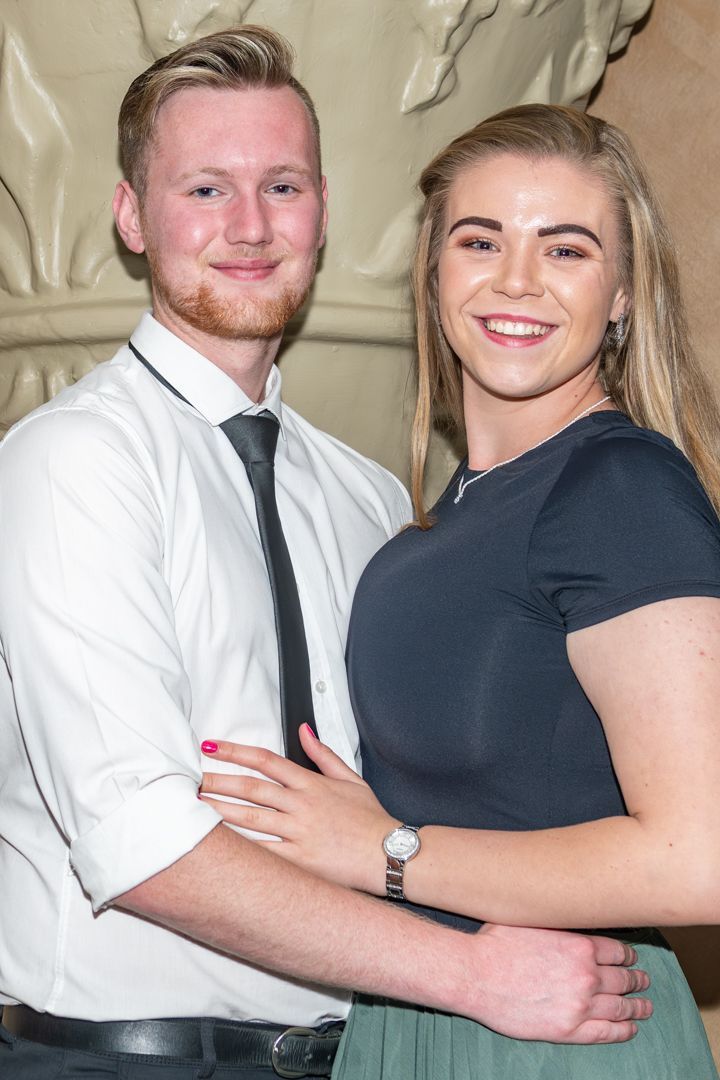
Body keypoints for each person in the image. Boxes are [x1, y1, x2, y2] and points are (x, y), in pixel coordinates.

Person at [0, 31, 651, 1080]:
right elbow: (136, 841)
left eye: (282, 186)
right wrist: (472, 975)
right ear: (131, 216)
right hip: (129, 1060)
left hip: (366, 1053)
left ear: (322, 211)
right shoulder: (73, 459)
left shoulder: (371, 496)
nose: (250, 226)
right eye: (205, 188)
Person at [199, 104, 720, 1079]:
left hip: (562, 1034)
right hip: (423, 1010)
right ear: (434, 271)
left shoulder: (619, 486)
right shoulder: (447, 513)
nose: (516, 280)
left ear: (621, 293)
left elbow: (700, 859)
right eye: (480, 241)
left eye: (565, 250)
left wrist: (384, 851)